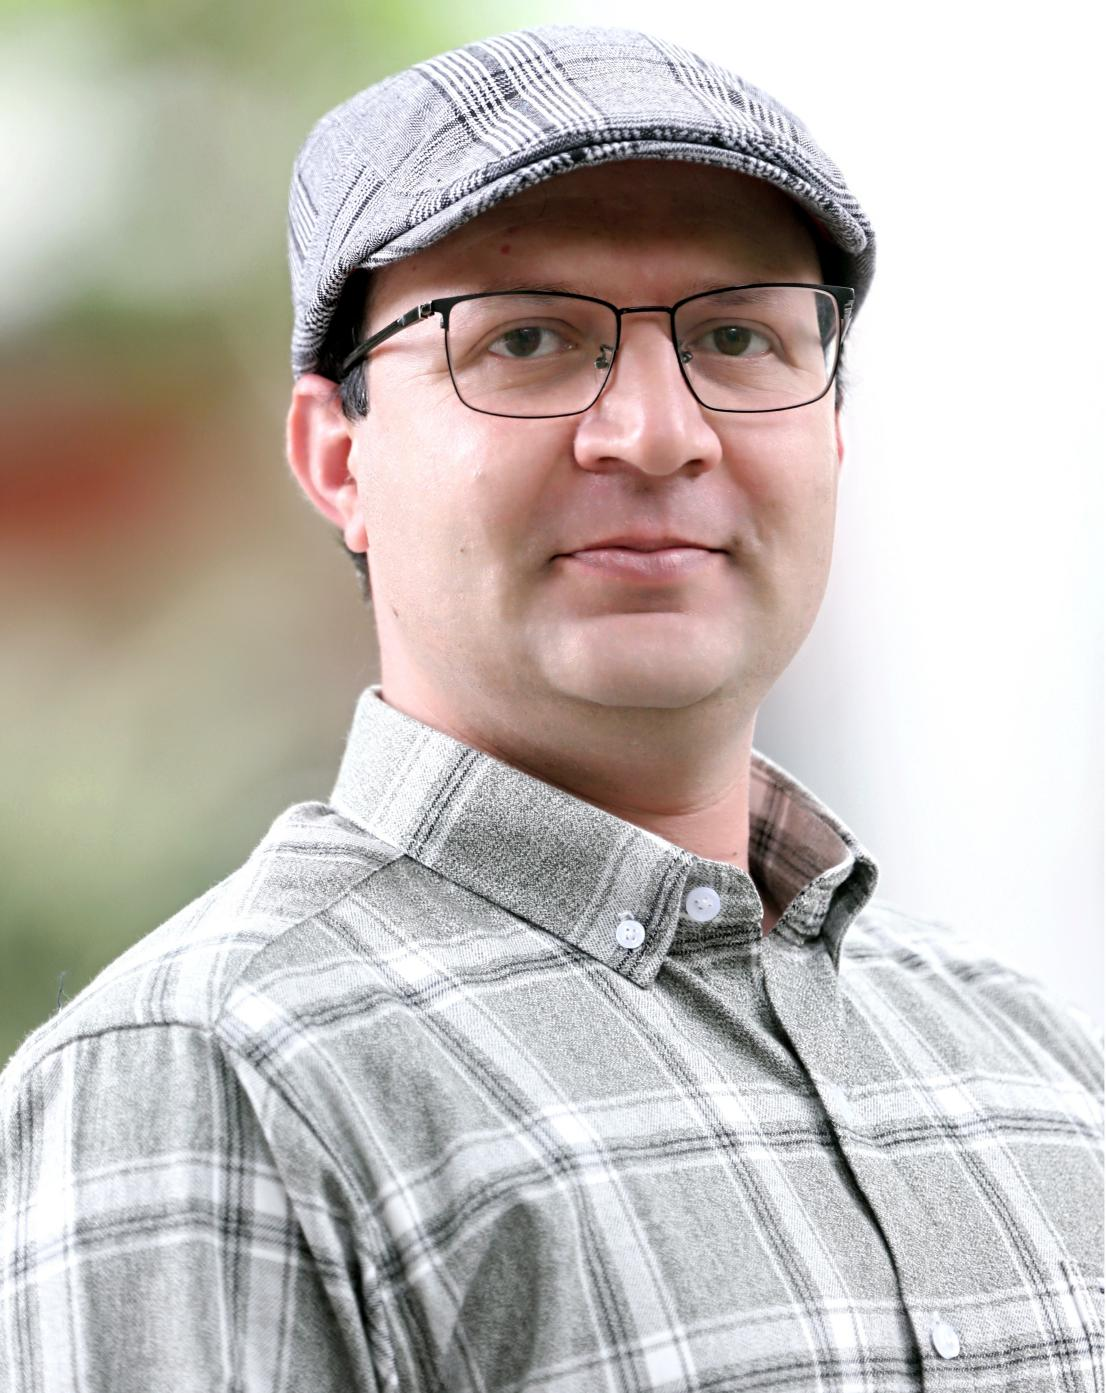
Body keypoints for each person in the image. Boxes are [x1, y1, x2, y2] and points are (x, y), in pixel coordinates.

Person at [1, 24, 1101, 1393]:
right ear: (338, 458)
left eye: (737, 337)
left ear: (830, 430)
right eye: (527, 339)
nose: (658, 434)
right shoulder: (214, 1074)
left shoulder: (1030, 1060)